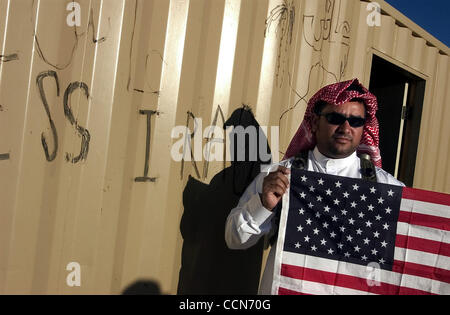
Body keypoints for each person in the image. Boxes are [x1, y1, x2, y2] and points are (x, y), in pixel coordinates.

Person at [224, 78, 405, 294]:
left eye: (356, 121)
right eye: (335, 118)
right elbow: (234, 239)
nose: (345, 127)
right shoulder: (280, 176)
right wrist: (264, 204)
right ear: (315, 122)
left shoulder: (387, 189)